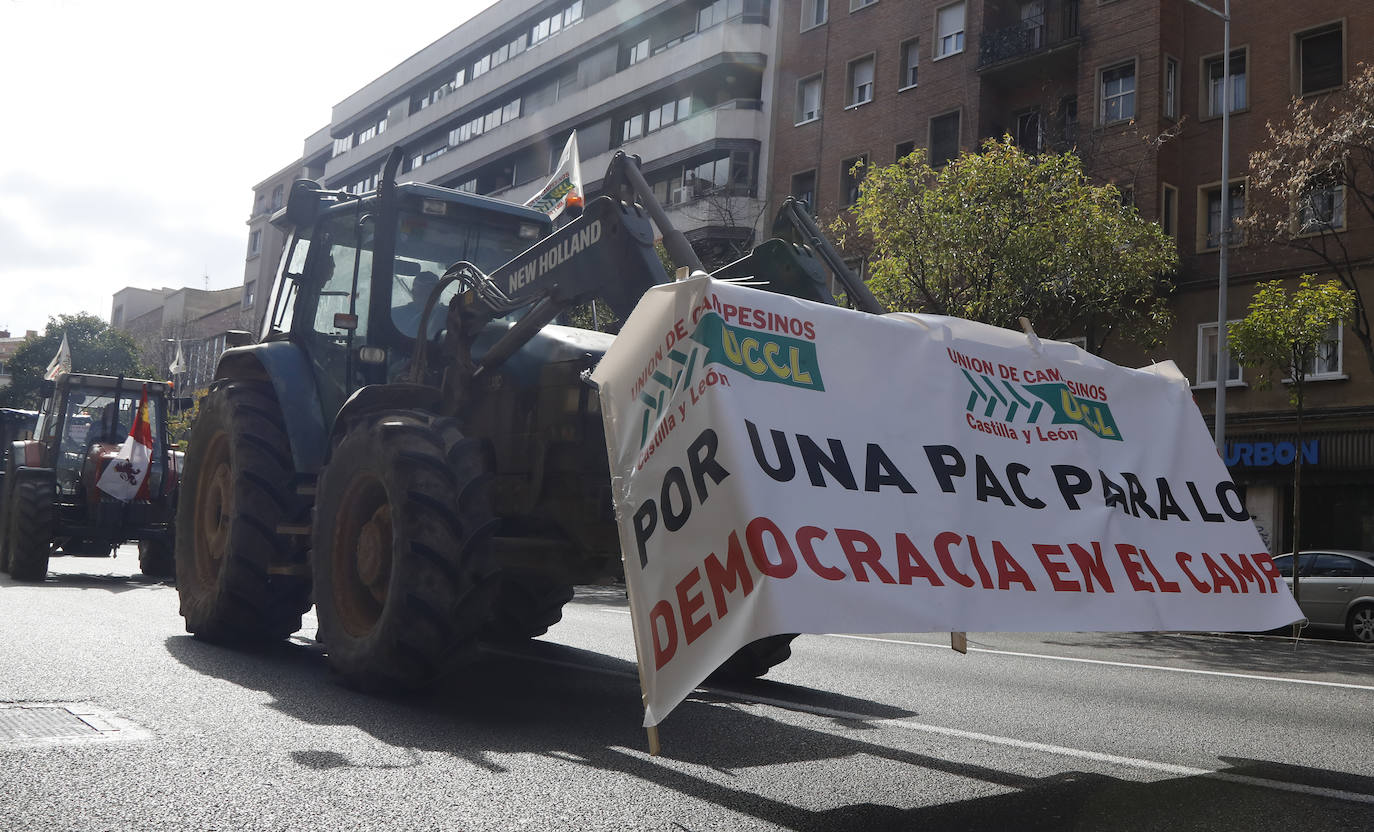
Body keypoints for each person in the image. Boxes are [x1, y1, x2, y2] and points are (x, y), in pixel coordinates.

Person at [392, 270, 446, 339]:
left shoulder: (451, 316)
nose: (424, 298)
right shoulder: (395, 315)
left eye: (428, 293)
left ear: (439, 295)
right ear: (413, 293)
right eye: (421, 293)